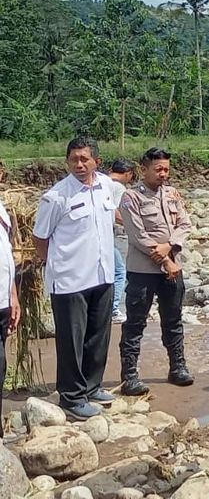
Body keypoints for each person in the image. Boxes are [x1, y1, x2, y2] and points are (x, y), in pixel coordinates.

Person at [33, 136, 118, 420]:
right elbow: (40, 238)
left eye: (85, 159)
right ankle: (70, 396)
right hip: (70, 280)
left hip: (102, 274)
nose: (79, 164)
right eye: (74, 159)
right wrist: (56, 264)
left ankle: (92, 386)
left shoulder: (107, 186)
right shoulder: (57, 196)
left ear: (97, 161)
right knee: (71, 340)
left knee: (98, 335)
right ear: (67, 162)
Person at [118, 147, 194, 395]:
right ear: (144, 169)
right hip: (143, 272)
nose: (163, 174)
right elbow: (138, 236)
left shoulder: (172, 194)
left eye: (166, 169)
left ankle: (177, 367)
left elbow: (184, 224)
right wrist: (165, 261)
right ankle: (129, 376)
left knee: (173, 320)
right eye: (158, 169)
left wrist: (171, 247)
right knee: (135, 323)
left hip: (173, 268)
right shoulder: (131, 198)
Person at [108, 158, 137, 324]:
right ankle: (113, 310)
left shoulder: (101, 181)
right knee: (119, 271)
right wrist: (133, 226)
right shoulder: (119, 187)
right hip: (106, 238)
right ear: (128, 174)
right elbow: (117, 212)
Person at [0, 195, 21, 422]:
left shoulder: (2, 210)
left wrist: (13, 296)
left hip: (3, 301)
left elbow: (6, 257)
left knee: (1, 363)